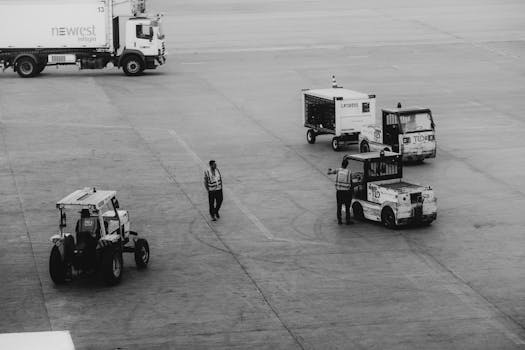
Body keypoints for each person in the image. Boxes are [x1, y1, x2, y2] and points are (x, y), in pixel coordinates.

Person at [328, 157, 353, 225]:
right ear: (347, 165)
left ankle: (339, 221)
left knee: (339, 206)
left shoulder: (338, 170)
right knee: (347, 206)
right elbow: (351, 181)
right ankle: (348, 221)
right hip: (346, 192)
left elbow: (330, 172)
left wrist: (329, 170)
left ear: (341, 164)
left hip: (339, 192)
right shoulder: (349, 172)